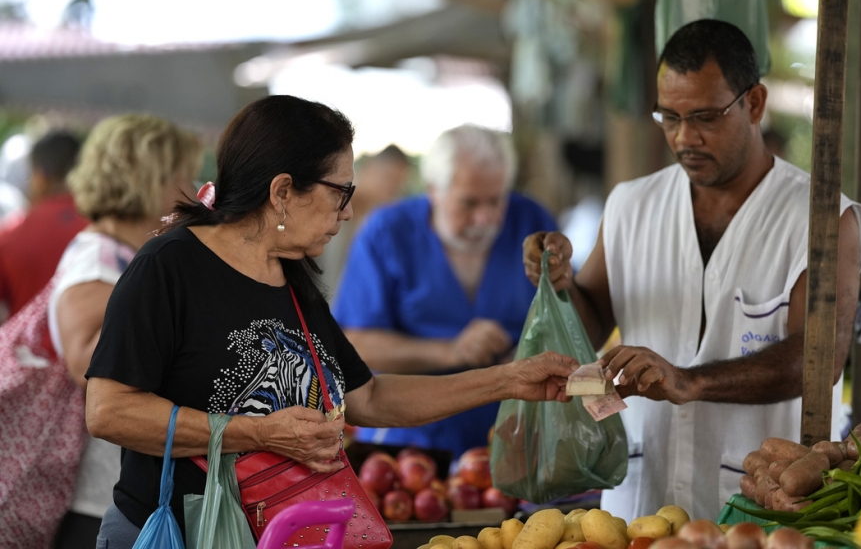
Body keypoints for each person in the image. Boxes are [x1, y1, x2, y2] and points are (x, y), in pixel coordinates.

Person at [83, 95, 577, 548]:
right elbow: (109, 410)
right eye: (341, 191)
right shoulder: (168, 268)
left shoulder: (290, 274)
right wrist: (255, 432)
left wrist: (509, 380)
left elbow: (370, 397)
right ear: (282, 192)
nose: (346, 212)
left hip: (277, 533)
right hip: (176, 532)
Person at [523, 19, 861, 521]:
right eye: (669, 117)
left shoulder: (823, 220)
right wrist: (558, 286)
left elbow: (818, 359)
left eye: (706, 117)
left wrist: (693, 382)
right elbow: (592, 321)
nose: (685, 137)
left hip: (759, 505)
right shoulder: (630, 205)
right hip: (639, 505)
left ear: (754, 104)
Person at [0, 115, 202, 549]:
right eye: (183, 175)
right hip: (98, 501)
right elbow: (90, 364)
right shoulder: (99, 259)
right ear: (149, 178)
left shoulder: (123, 254)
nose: (193, 189)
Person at [332, 124, 558, 459]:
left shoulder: (531, 221)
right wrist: (450, 351)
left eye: (496, 201)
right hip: (410, 446)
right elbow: (350, 346)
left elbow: (568, 310)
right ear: (433, 190)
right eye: (468, 203)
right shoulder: (387, 233)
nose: (485, 218)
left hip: (516, 436)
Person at [0, 131, 88, 320]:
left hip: (24, 347)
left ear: (40, 175)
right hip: (92, 348)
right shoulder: (106, 228)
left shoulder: (12, 233)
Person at [313, 144, 412, 297]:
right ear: (369, 169)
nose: (391, 188)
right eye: (387, 177)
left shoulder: (385, 226)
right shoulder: (331, 210)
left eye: (399, 184)